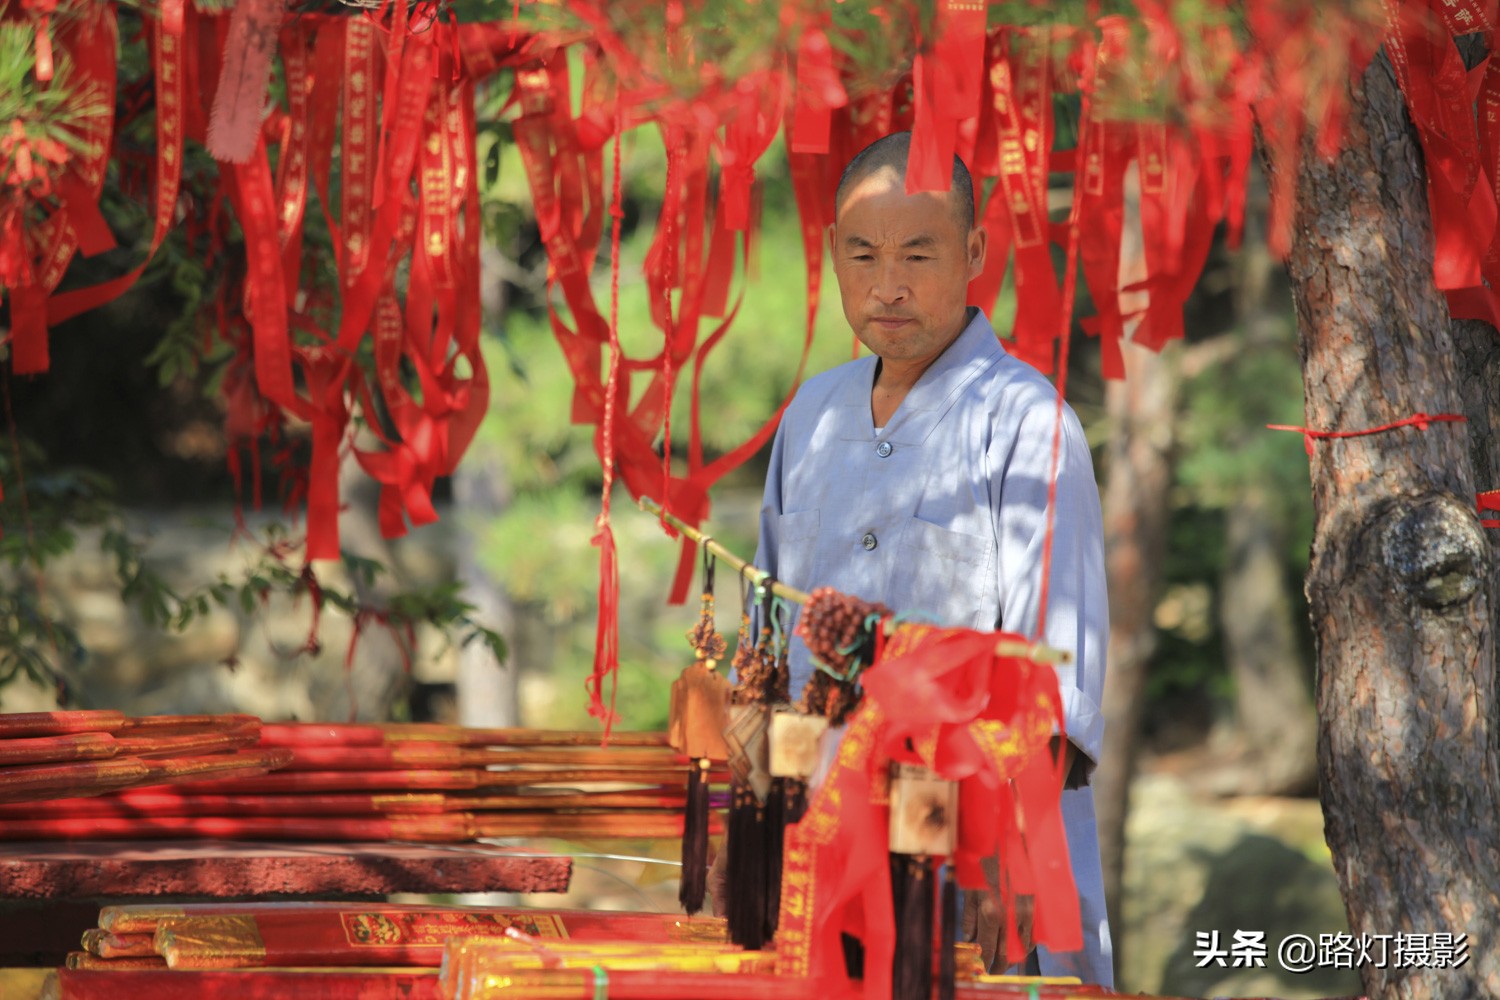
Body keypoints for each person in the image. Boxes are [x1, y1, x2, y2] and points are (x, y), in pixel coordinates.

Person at [746, 131, 1112, 986]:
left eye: (919, 252)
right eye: (864, 253)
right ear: (833, 253)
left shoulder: (1028, 425)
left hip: (976, 857)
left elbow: (1057, 677)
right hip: (822, 847)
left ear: (975, 252)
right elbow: (772, 649)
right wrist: (763, 823)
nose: (889, 285)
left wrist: (1011, 847)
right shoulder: (810, 416)